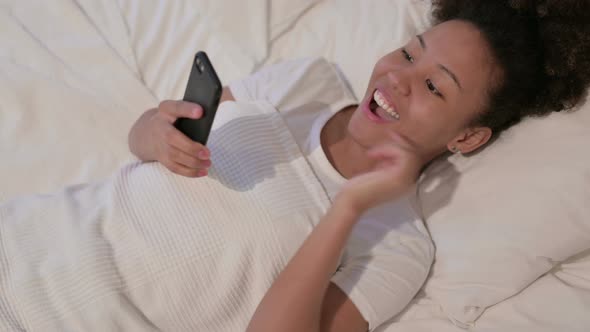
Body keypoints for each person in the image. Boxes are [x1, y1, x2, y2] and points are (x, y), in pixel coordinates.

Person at [1, 1, 589, 332]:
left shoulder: (396, 247)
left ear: (468, 135)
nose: (396, 79)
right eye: (411, 53)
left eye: (433, 85)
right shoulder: (304, 81)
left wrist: (347, 206)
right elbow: (149, 151)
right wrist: (153, 132)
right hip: (21, 240)